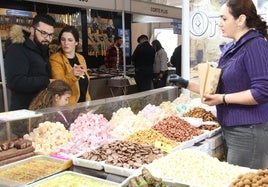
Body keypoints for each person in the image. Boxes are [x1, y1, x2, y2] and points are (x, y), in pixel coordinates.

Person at [168, 0, 268, 169]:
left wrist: (222, 99)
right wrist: (186, 83)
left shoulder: (255, 45)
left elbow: (262, 92)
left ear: (240, 19)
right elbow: (216, 88)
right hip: (231, 128)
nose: (219, 23)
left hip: (248, 131)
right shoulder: (232, 48)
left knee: (243, 180)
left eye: (224, 18)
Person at [4, 14, 56, 111]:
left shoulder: (42, 49)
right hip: (24, 112)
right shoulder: (17, 49)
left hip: (41, 110)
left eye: (51, 35)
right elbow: (15, 82)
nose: (48, 38)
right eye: (43, 33)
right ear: (32, 30)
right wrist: (46, 81)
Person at [50, 25, 91, 104]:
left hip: (83, 106)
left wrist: (88, 103)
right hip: (68, 108)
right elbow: (58, 86)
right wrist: (72, 75)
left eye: (70, 40)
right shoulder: (55, 59)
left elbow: (85, 85)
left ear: (76, 42)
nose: (66, 43)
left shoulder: (81, 58)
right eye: (63, 39)